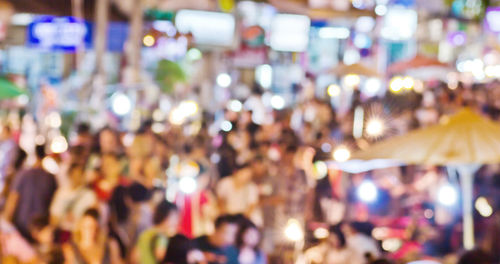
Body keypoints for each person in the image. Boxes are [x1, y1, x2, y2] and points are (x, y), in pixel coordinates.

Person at [3, 144, 57, 240]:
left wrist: (6, 224)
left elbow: (13, 200)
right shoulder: (51, 178)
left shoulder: (23, 174)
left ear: (35, 155)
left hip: (21, 227)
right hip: (40, 230)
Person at [50, 164, 97, 231]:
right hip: (63, 232)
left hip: (80, 233)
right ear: (70, 175)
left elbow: (92, 218)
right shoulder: (61, 193)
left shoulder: (89, 195)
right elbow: (53, 217)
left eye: (79, 175)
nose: (76, 178)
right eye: (74, 175)